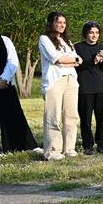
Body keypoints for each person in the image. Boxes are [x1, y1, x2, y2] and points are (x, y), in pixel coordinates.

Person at [38, 12, 81, 160]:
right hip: (54, 80)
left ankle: (69, 148)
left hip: (71, 79)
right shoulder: (44, 39)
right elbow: (56, 58)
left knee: (71, 116)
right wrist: (72, 60)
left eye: (64, 22)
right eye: (59, 22)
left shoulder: (67, 41)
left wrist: (71, 60)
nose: (62, 25)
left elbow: (78, 60)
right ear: (51, 23)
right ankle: (53, 151)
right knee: (53, 116)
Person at [74, 21, 103, 154]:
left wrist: (102, 60)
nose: (94, 35)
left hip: (102, 88)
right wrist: (94, 61)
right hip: (84, 88)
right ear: (85, 34)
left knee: (101, 118)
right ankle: (88, 145)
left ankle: (101, 144)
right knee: (85, 119)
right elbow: (77, 67)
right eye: (91, 32)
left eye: (96, 32)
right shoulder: (77, 47)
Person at [0, 34, 40, 153]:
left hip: (4, 84)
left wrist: (3, 79)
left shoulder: (5, 40)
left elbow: (12, 61)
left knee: (14, 116)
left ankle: (23, 146)